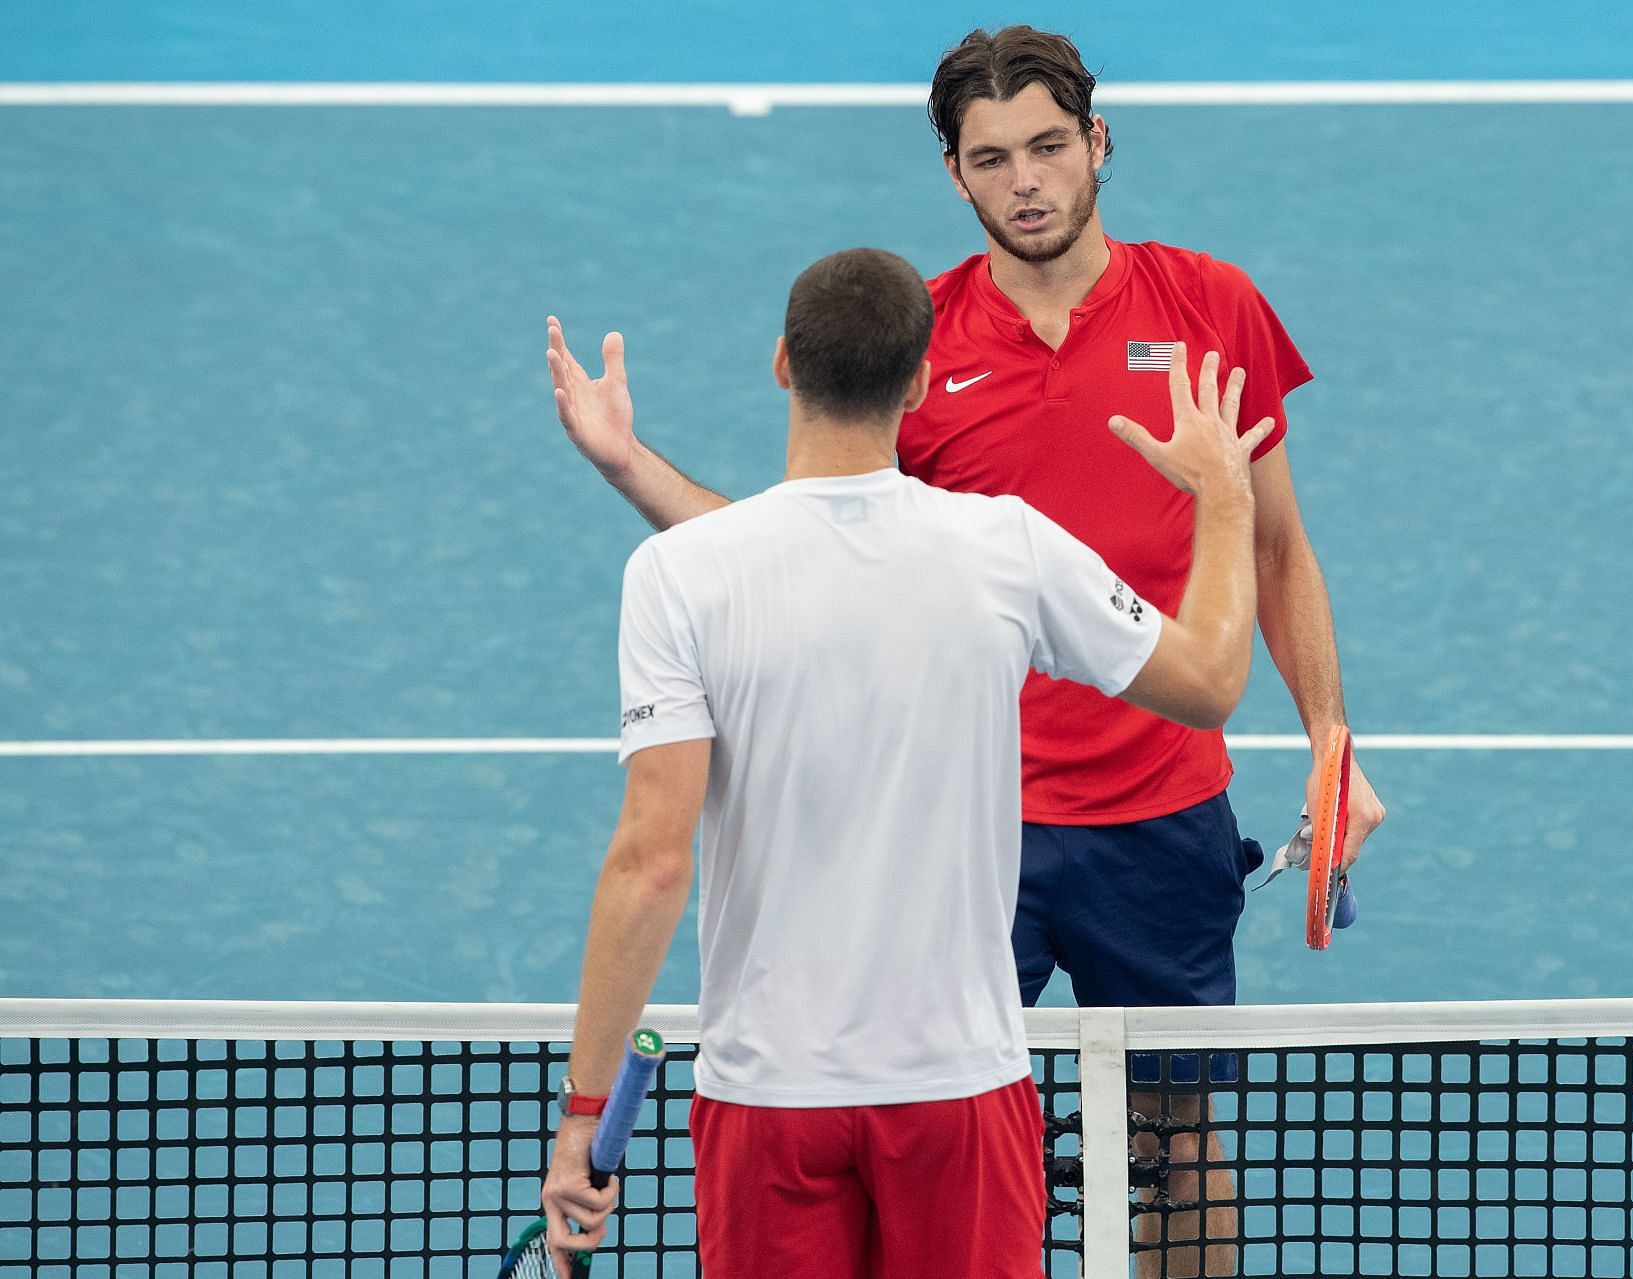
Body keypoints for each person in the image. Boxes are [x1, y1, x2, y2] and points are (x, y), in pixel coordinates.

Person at [549, 26, 1387, 1276]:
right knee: (953, 1127)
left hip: (1162, 811)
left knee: (1179, 1138)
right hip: (970, 836)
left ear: (1098, 143)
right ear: (956, 174)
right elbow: (806, 543)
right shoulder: (923, 340)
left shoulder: (1211, 307)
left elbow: (1274, 549)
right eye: (992, 159)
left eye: (1049, 146)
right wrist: (637, 471)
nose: (1027, 180)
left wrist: (1329, 739)